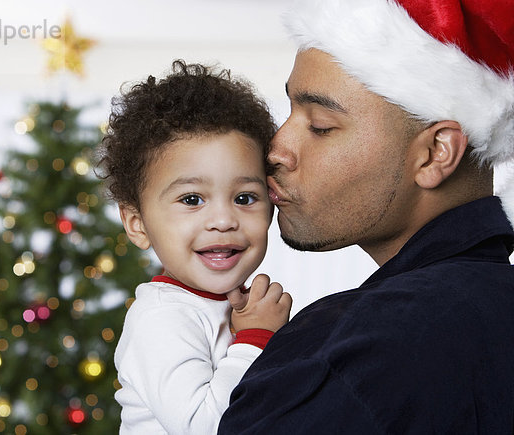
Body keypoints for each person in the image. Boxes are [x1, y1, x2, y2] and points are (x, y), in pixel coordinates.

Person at [219, 0, 514, 433]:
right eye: (289, 112)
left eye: (320, 125)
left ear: (436, 153)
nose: (276, 150)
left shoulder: (348, 350)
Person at [97, 60, 292, 434]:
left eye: (245, 197)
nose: (223, 219)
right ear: (137, 224)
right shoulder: (160, 317)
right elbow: (206, 426)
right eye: (191, 200)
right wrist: (255, 338)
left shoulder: (233, 307)